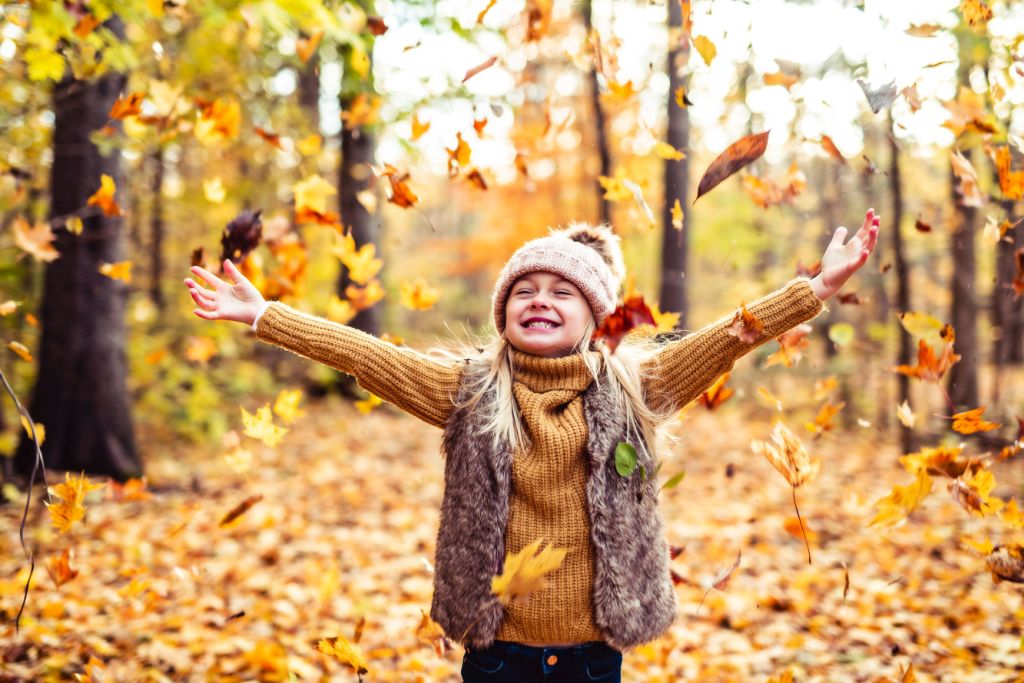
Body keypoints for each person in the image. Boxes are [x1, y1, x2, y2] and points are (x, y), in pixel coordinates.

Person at [183, 210, 880, 682]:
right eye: (525, 290)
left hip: (592, 647)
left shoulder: (637, 387)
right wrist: (266, 315)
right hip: (498, 648)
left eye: (562, 292)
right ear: (503, 311)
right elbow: (366, 355)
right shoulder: (468, 391)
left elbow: (734, 333)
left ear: (596, 317)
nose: (540, 299)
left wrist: (816, 287)